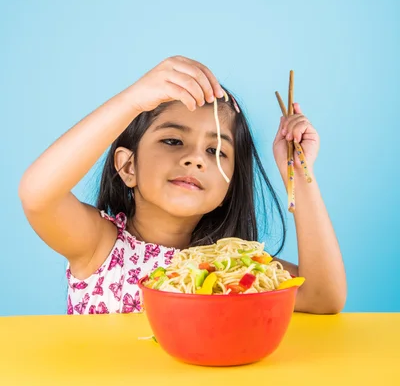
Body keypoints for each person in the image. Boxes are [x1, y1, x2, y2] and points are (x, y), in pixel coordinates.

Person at [19, 55, 347, 315]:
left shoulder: (230, 269)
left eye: (216, 151)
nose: (196, 159)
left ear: (229, 187)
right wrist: (133, 100)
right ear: (128, 166)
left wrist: (299, 174)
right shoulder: (99, 246)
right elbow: (38, 196)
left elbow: (322, 297)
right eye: (174, 140)